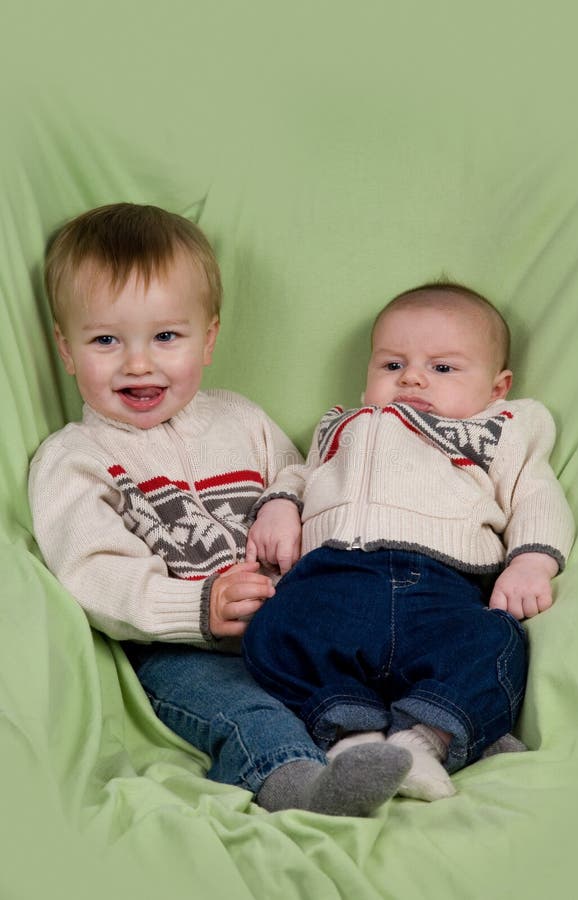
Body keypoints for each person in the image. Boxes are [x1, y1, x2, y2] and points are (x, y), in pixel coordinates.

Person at [28, 203, 412, 817]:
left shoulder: (240, 418)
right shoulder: (75, 458)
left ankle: (444, 729)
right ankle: (299, 786)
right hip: (183, 649)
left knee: (383, 645)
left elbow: (304, 475)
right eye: (105, 340)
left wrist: (284, 502)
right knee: (243, 710)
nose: (138, 362)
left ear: (207, 338)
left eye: (166, 336)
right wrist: (196, 607)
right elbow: (90, 569)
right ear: (66, 350)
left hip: (293, 622)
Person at [242, 282, 575, 802]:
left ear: (496, 386)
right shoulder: (341, 426)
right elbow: (301, 475)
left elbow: (535, 494)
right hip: (333, 578)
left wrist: (532, 561)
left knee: (497, 642)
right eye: (392, 365)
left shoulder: (502, 428)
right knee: (272, 630)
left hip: (441, 587)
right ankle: (354, 738)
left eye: (443, 368)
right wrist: (281, 506)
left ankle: (423, 740)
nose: (412, 377)